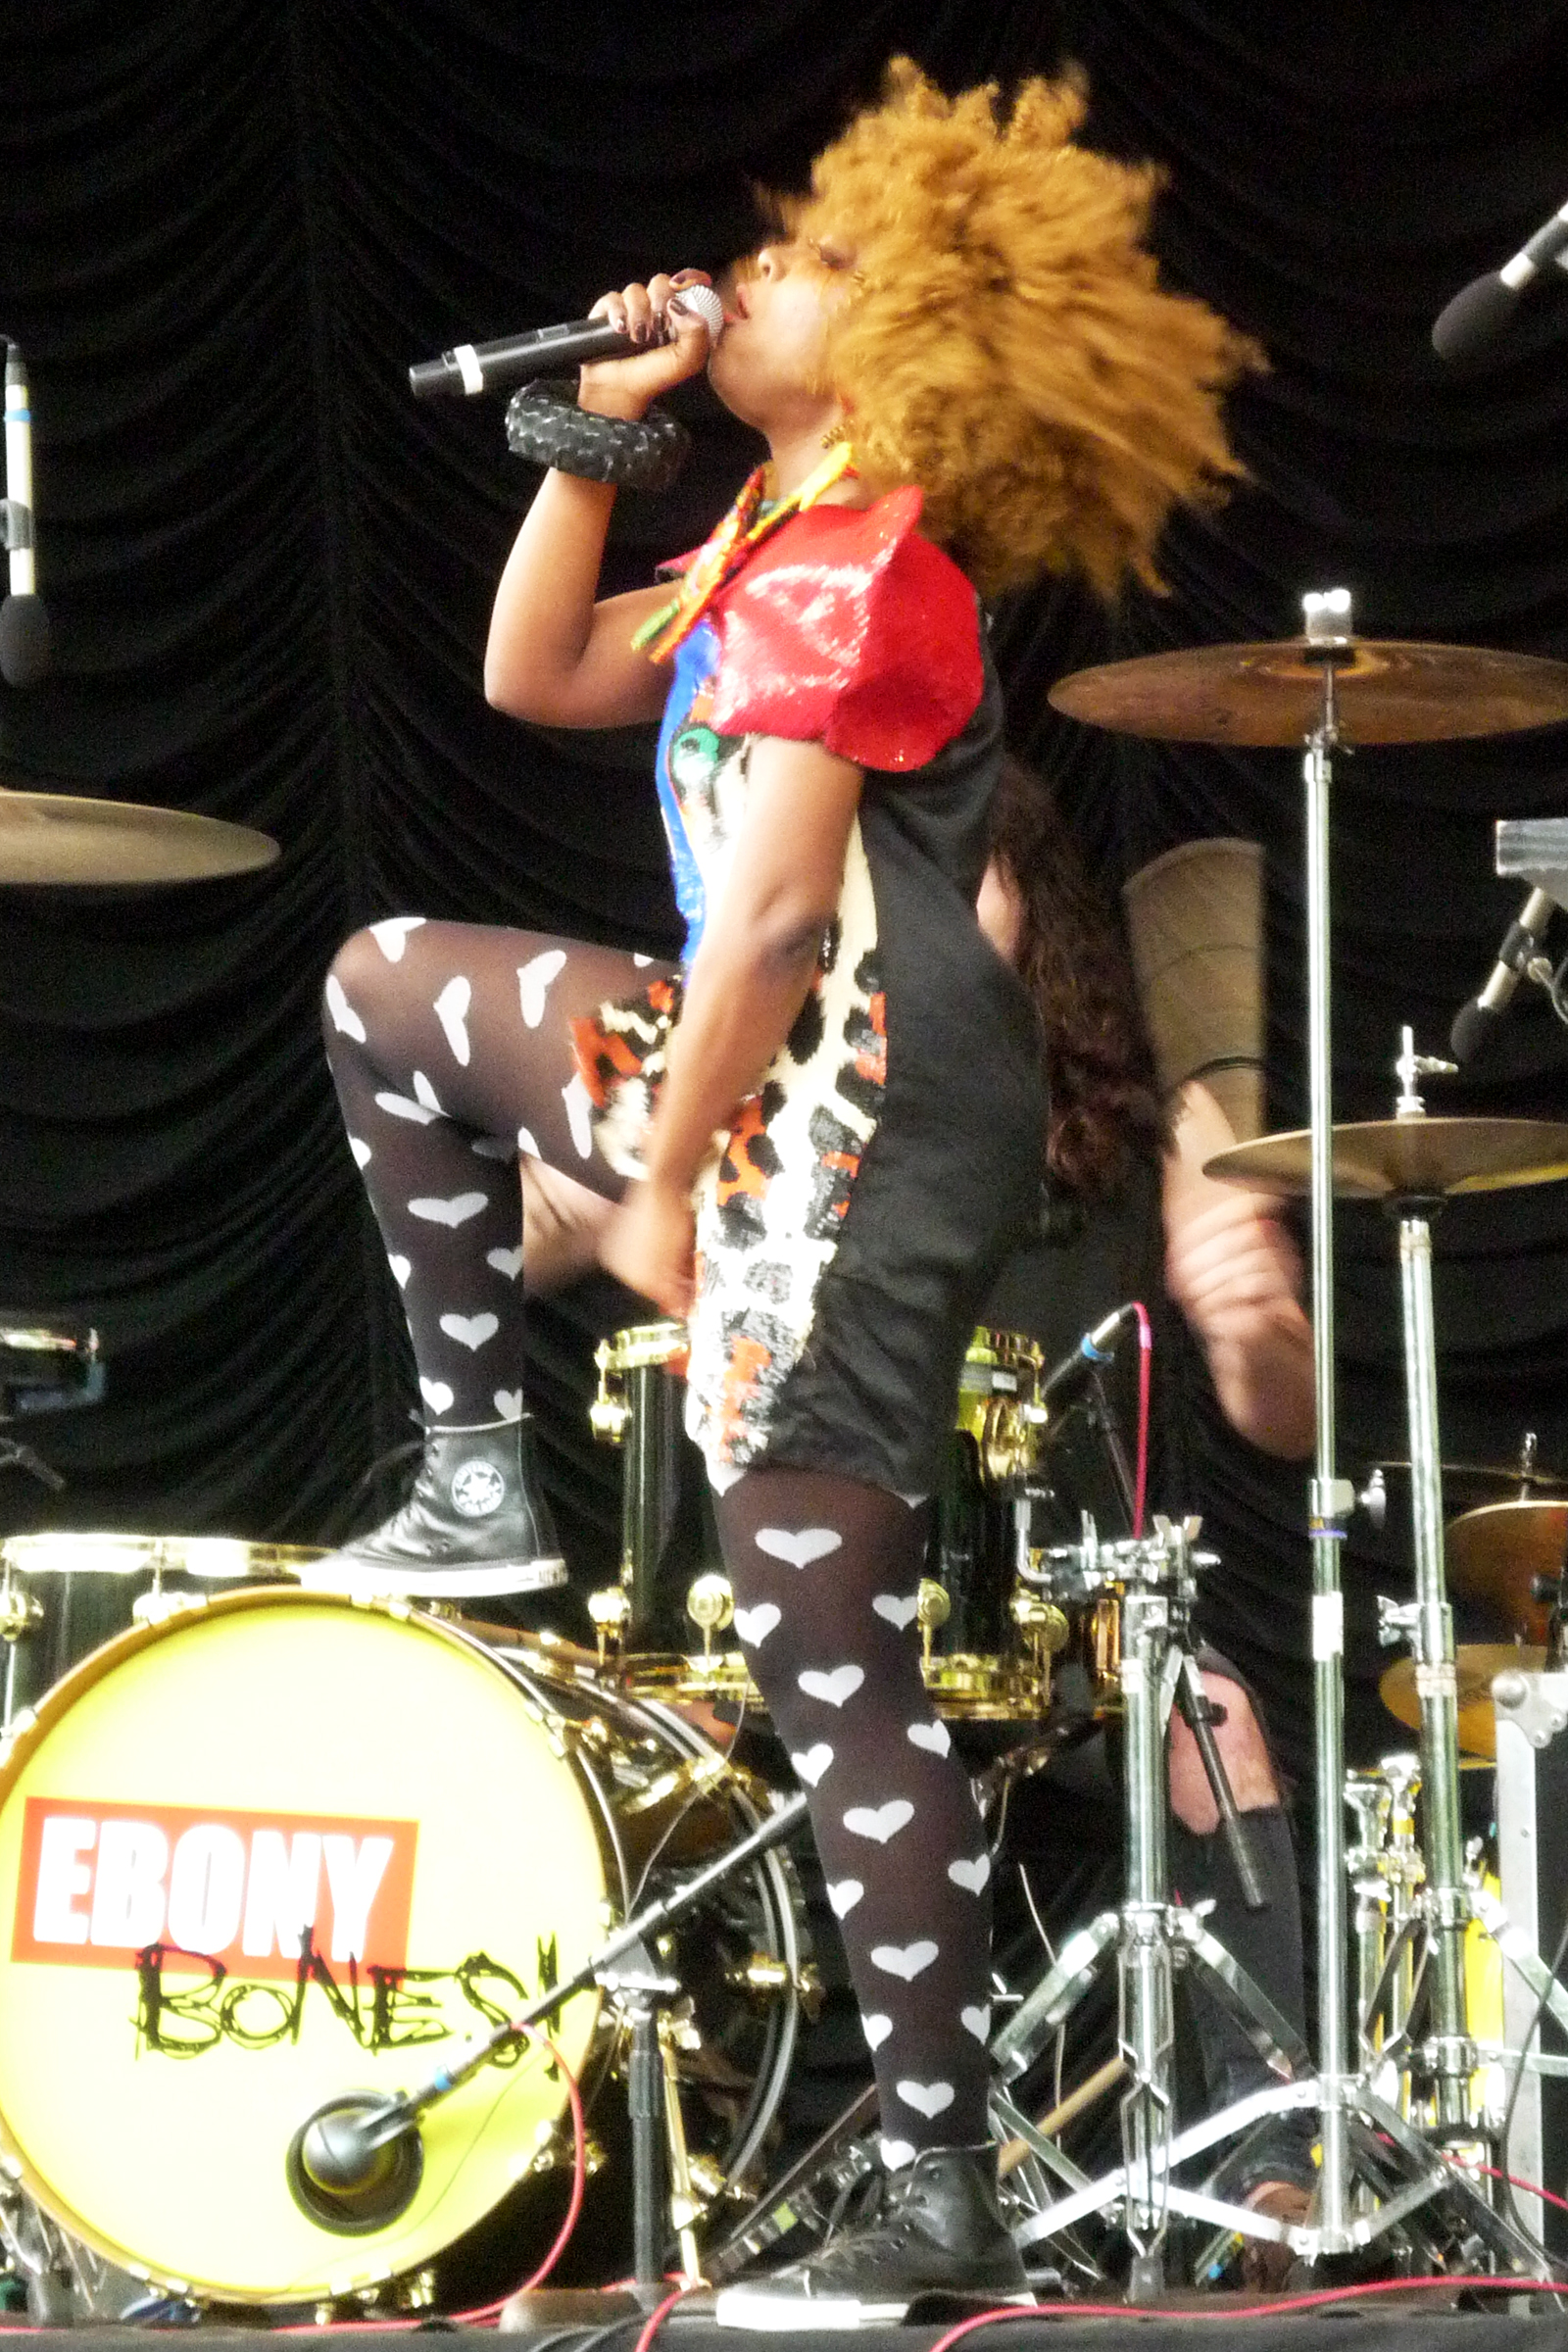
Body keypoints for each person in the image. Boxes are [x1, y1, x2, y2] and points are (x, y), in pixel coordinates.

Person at [318, 61, 1256, 2316]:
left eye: (810, 259)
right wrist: (595, 430)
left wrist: (653, 1182)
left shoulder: (868, 569)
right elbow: (530, 671)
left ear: (910, 340)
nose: (748, 270)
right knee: (388, 991)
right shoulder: (770, 544)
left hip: (861, 1114)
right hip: (798, 1087)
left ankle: (936, 2183)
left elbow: (756, 930)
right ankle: (479, 1479)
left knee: (826, 1634)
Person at [977, 754, 1317, 2277]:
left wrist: (1257, 1324)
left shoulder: (1146, 1123)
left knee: (1214, 1721)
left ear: (1027, 897)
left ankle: (1269, 2163)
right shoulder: (814, 1103)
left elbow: (1284, 1418)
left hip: (1074, 1616)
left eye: (955, 868)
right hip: (852, 1591)